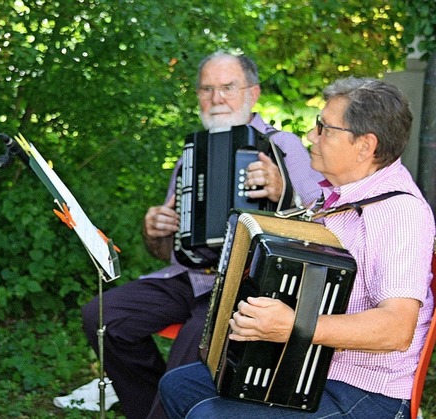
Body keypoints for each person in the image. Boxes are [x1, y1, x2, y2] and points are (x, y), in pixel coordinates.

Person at [158, 77, 435, 418]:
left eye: (325, 129)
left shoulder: (399, 213)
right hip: (309, 365)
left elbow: (396, 328)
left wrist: (293, 326)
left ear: (365, 145)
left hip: (363, 392)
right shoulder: (335, 198)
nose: (311, 137)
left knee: (209, 415)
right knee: (177, 386)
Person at [79, 51, 324, 418]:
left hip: (249, 283)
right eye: (207, 90)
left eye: (228, 87)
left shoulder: (282, 146)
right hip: (192, 277)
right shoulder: (192, 152)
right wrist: (156, 231)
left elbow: (323, 225)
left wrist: (283, 192)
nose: (216, 98)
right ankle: (150, 408)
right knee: (103, 315)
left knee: (195, 341)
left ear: (252, 93)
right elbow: (168, 251)